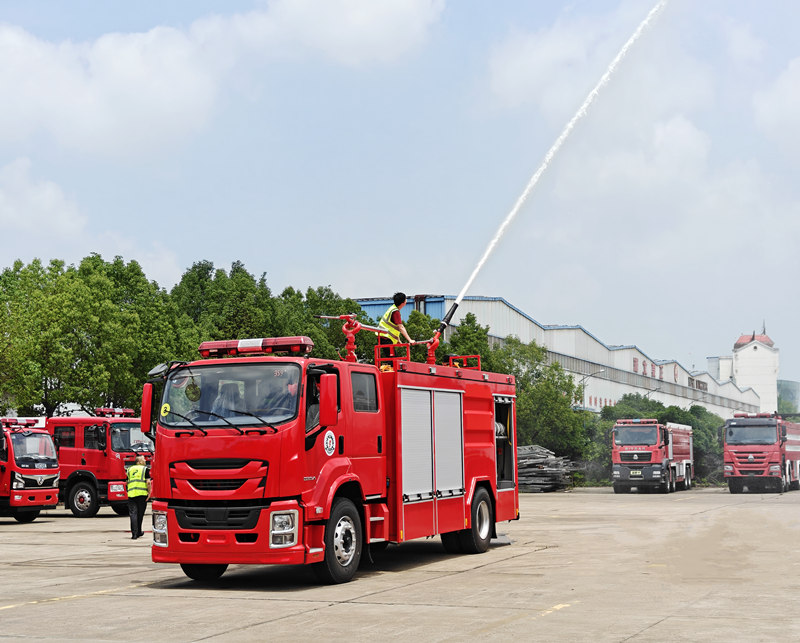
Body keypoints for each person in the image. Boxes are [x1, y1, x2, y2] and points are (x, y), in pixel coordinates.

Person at [127, 454, 151, 540]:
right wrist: (149, 492)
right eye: (144, 459)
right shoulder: (145, 469)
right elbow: (148, 482)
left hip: (131, 494)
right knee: (140, 514)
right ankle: (139, 531)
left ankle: (134, 534)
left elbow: (127, 482)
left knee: (133, 514)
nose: (145, 460)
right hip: (142, 494)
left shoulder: (129, 469)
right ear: (139, 462)